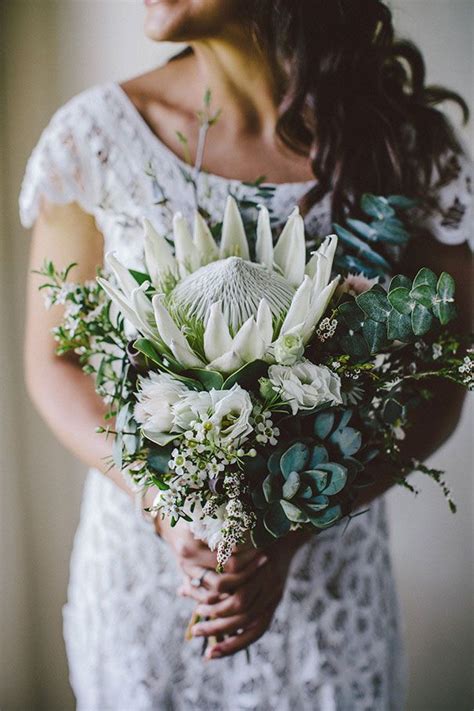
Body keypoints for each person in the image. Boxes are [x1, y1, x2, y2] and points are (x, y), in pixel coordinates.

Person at [20, 1, 472, 709]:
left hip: (327, 592)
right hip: (153, 582)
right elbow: (55, 359)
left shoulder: (403, 145)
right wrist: (161, 501)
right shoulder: (96, 139)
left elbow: (444, 383)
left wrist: (294, 532)